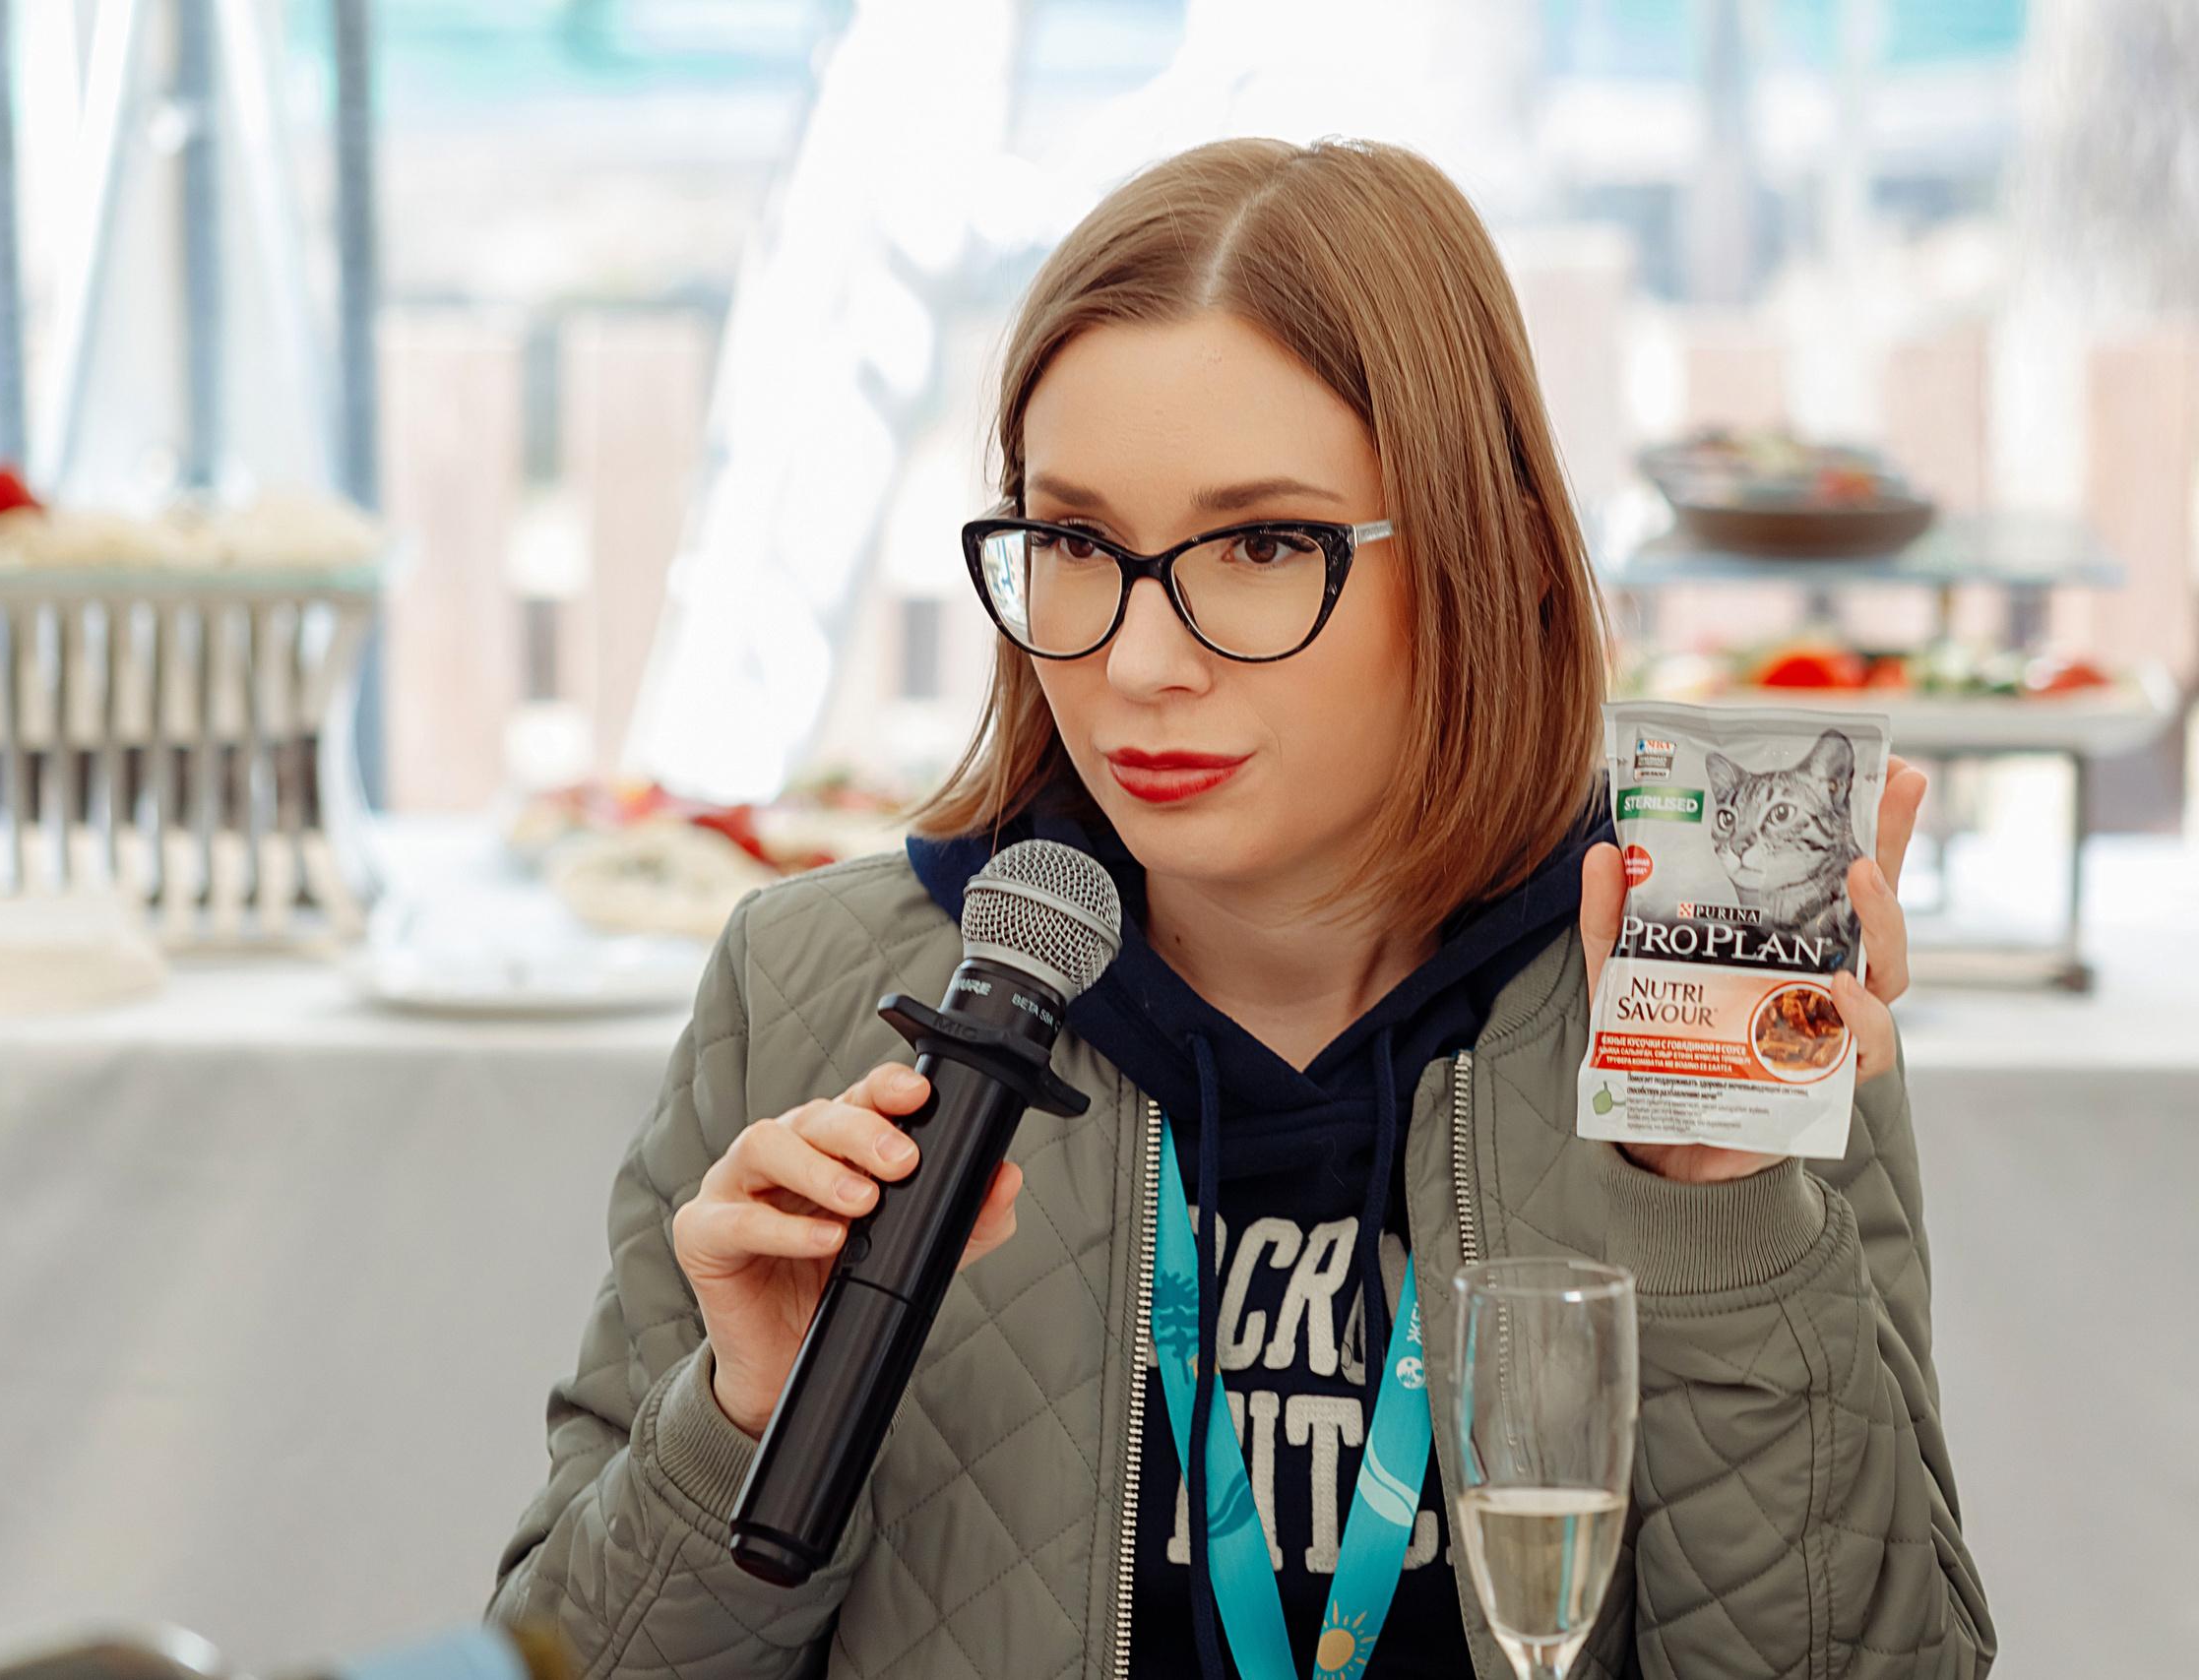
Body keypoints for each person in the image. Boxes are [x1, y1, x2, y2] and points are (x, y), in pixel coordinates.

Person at [490, 138, 1993, 1680]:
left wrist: (1714, 1213)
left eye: (1266, 544)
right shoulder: (813, 984)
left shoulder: (1700, 992)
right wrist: (746, 1420)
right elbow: (553, 1659)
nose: (1142, 660)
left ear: (1487, 558)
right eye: (1075, 542)